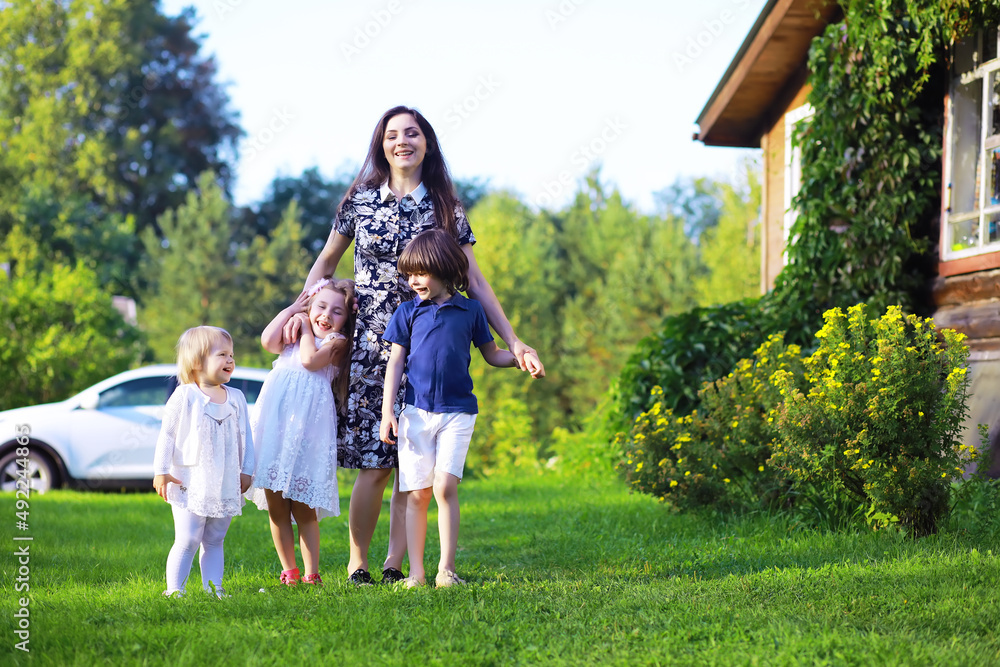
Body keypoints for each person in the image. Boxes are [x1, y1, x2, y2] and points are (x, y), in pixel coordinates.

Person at [294, 105, 546, 586]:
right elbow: (325, 263)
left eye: (412, 133)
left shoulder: (446, 209)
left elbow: (476, 281)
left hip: (432, 345)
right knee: (375, 462)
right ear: (381, 144)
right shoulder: (359, 202)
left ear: (427, 143)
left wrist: (513, 340)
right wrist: (297, 316)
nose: (402, 141)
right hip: (371, 349)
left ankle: (395, 564)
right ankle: (358, 563)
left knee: (415, 469)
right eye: (392, 134)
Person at [379, 229, 539, 587]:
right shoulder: (407, 313)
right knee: (417, 493)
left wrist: (518, 358)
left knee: (444, 488)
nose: (413, 280)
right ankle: (417, 574)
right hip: (415, 413)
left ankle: (446, 571)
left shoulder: (471, 311)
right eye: (409, 274)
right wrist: (388, 411)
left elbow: (492, 354)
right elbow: (395, 364)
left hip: (458, 412)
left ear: (445, 268)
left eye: (421, 273)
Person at [248, 278, 355, 585]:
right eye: (320, 306)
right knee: (276, 505)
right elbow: (268, 341)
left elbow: (310, 362)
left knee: (304, 507)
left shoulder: (336, 343)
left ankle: (311, 573)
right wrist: (293, 309)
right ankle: (290, 570)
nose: (326, 315)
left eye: (337, 311)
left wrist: (306, 328)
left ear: (346, 320)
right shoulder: (294, 328)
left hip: (309, 429)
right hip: (277, 423)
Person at [153, 326, 255, 598]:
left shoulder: (237, 398)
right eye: (222, 354)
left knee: (215, 539)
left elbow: (248, 436)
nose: (231, 360)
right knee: (188, 538)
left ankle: (214, 589)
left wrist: (247, 470)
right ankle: (175, 590)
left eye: (232, 354)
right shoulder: (185, 396)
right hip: (191, 480)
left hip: (225, 480)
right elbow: (167, 435)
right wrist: (161, 471)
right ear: (197, 362)